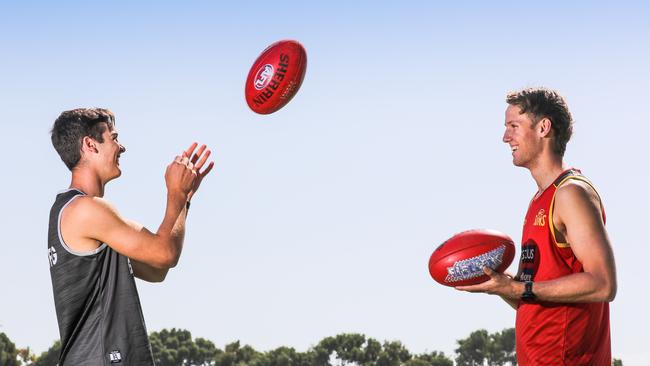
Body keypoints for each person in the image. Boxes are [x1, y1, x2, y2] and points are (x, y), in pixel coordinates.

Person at [456, 88, 617, 365]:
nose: (505, 137)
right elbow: (531, 297)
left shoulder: (571, 193)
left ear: (543, 128)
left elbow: (603, 284)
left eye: (513, 126)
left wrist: (520, 289)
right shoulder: (540, 199)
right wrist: (501, 284)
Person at [47, 108, 214, 365]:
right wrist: (175, 193)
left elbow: (157, 269)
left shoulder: (75, 213)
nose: (121, 147)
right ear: (90, 144)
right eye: (114, 138)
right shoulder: (87, 210)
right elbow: (164, 253)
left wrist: (184, 199)